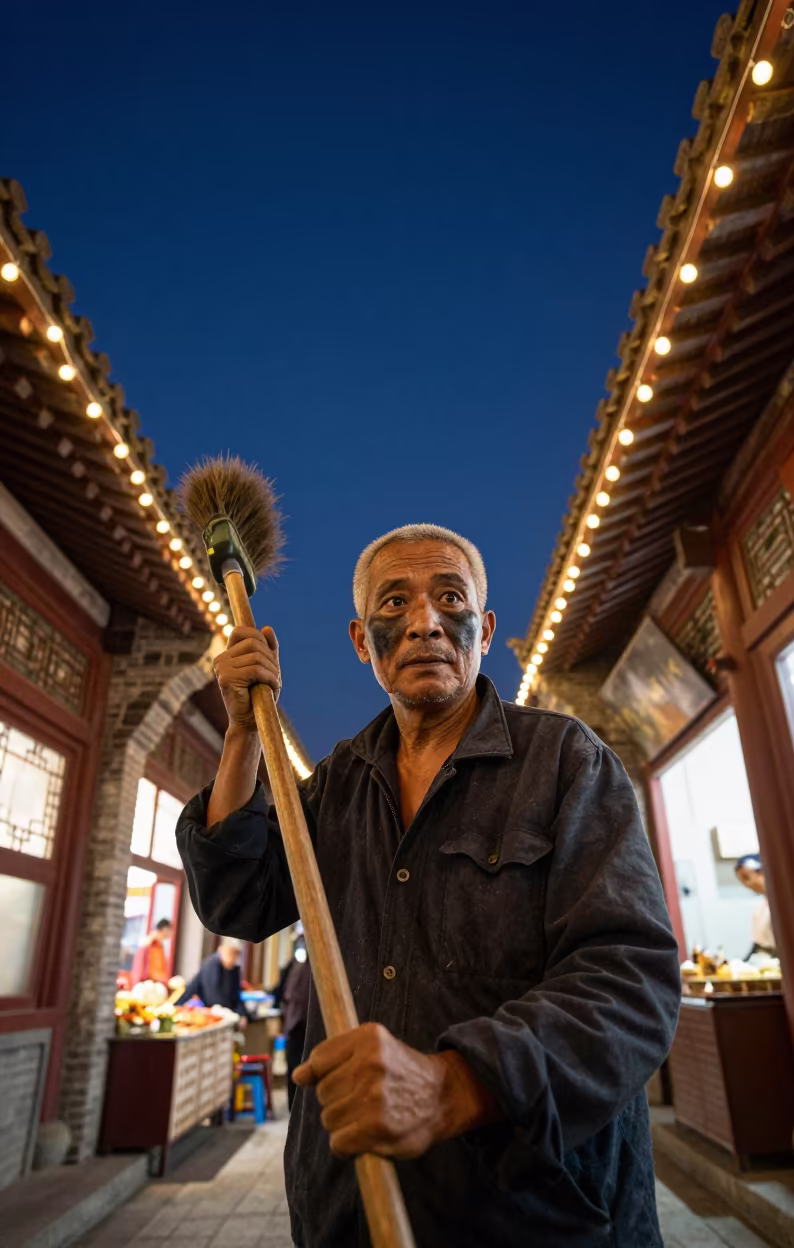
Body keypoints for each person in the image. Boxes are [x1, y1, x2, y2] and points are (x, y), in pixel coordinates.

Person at [177, 525, 681, 1248]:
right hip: (347, 1208)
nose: (424, 622)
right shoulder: (339, 785)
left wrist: (455, 1085)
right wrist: (239, 738)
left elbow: (631, 983)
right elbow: (238, 899)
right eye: (394, 603)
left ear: (486, 628)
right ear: (361, 640)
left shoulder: (567, 764)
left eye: (450, 597)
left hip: (537, 1215)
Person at [272, 935, 312, 1109]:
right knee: (295, 1065)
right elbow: (280, 991)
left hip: (303, 1024)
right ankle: (295, 1106)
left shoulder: (306, 966)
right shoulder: (295, 966)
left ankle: (297, 1106)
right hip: (297, 1024)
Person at [179, 939, 249, 1021]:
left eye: (236, 955)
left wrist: (242, 1014)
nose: (232, 959)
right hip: (213, 1014)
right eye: (230, 953)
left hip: (228, 1015)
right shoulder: (211, 966)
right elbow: (212, 997)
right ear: (221, 950)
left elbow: (236, 996)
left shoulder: (234, 970)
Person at [735, 852, 777, 959]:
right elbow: (759, 943)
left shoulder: (783, 902)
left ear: (762, 872)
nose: (747, 885)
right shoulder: (760, 908)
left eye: (747, 878)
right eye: (742, 881)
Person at [132, 917, 171, 985]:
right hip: (148, 984)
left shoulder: (159, 945)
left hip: (153, 982)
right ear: (165, 929)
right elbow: (143, 968)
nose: (171, 933)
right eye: (170, 930)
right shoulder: (150, 943)